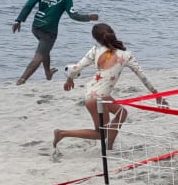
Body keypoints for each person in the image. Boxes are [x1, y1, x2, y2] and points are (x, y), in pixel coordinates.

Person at [52, 23, 165, 153]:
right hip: (98, 98)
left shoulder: (94, 50)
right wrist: (157, 95)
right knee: (101, 133)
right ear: (112, 33)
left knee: (122, 113)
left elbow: (75, 68)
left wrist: (69, 80)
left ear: (96, 39)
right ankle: (62, 133)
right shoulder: (126, 55)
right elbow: (143, 77)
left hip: (94, 93)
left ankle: (109, 148)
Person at [11, 0, 99, 85]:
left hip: (36, 28)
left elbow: (29, 5)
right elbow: (73, 16)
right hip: (49, 31)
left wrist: (18, 20)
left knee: (44, 50)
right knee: (39, 56)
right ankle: (22, 79)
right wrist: (89, 17)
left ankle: (48, 73)